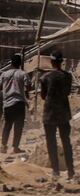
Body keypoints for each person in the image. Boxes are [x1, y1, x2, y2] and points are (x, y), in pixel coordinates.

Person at [39, 49, 75, 180]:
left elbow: (43, 96)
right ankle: (71, 170)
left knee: (51, 142)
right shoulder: (68, 76)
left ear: (51, 61)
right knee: (66, 141)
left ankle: (55, 170)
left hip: (49, 113)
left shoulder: (45, 77)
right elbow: (67, 92)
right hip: (64, 112)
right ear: (62, 62)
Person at [0, 54, 30, 154]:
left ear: (11, 63)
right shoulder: (23, 74)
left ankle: (3, 146)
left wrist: (6, 87)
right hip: (19, 103)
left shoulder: (4, 74)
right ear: (20, 63)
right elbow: (28, 87)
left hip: (8, 103)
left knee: (7, 125)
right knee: (18, 126)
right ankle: (15, 147)